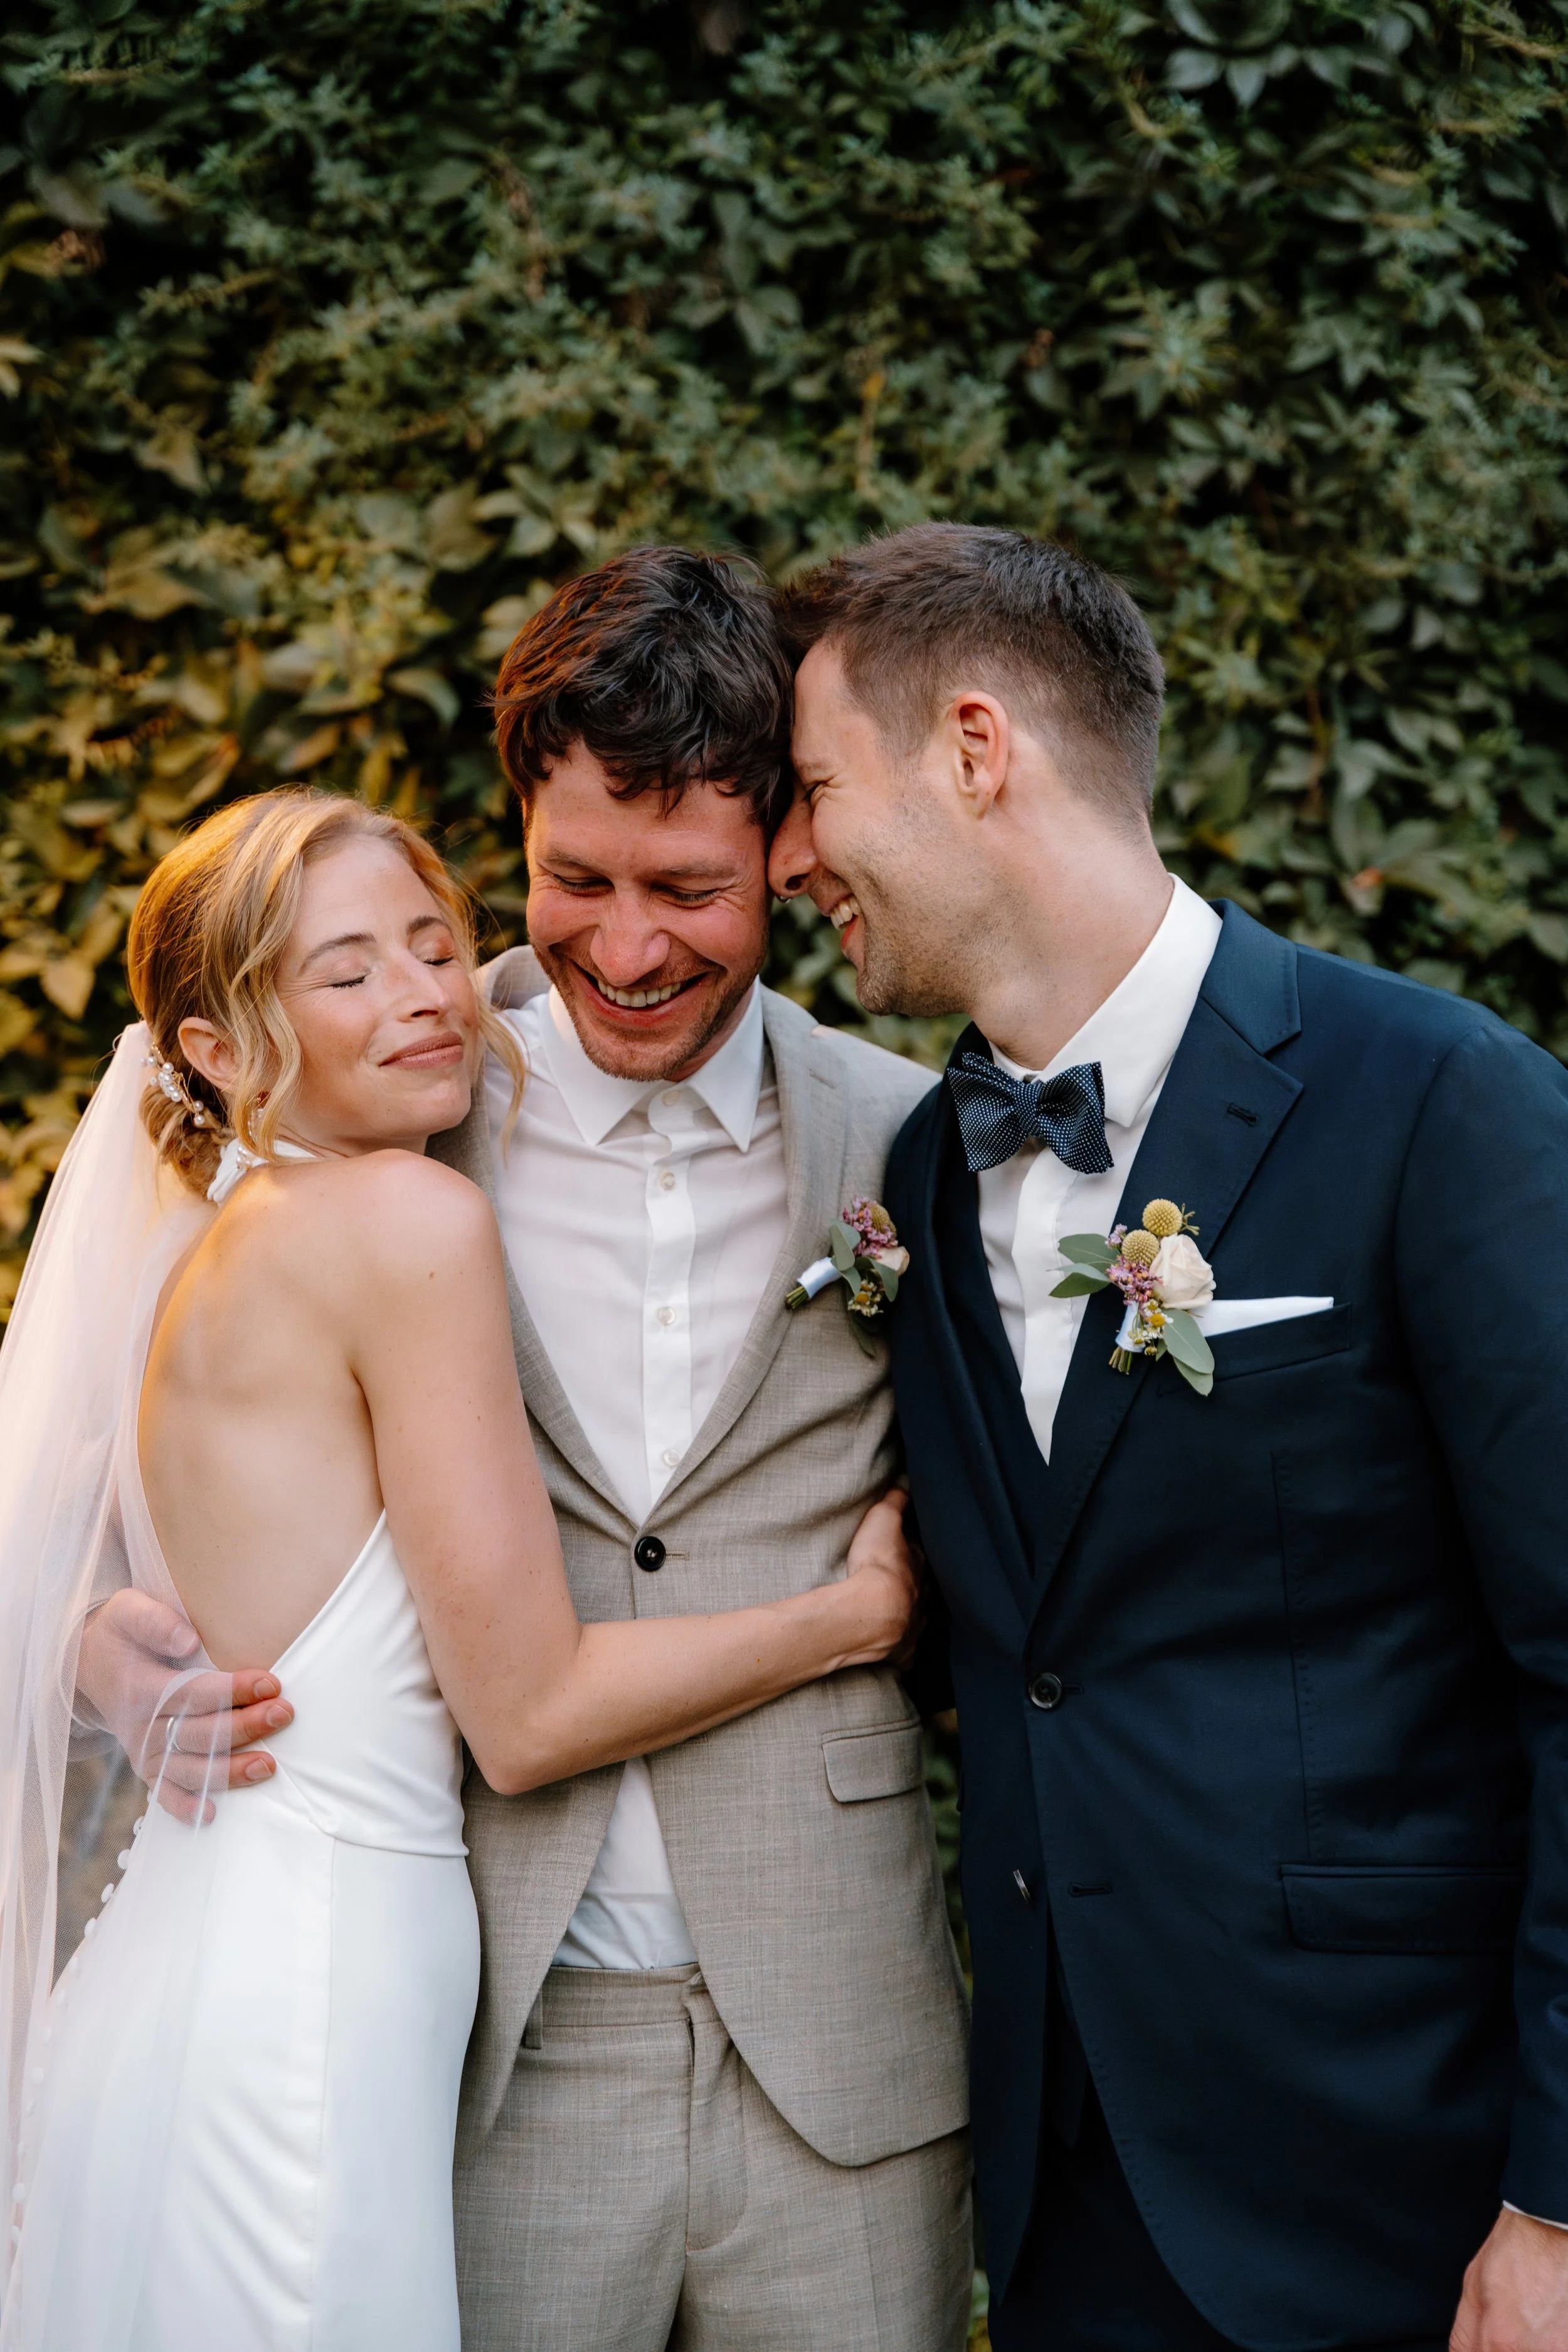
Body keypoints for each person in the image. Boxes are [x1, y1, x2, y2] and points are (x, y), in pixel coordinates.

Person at [0, 787, 921, 2352]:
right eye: (344, 972)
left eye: (432, 942)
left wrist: (94, 1640)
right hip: (314, 1999)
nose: (424, 992)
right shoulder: (411, 1216)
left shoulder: (214, 1235)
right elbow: (533, 1709)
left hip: (191, 1964)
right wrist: (856, 1612)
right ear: (217, 1048)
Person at [781, 521, 1568, 2352]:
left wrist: (1552, 2196)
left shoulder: (1438, 1097)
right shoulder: (910, 1170)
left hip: (1407, 2183)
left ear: (975, 748)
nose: (790, 851)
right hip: (1068, 2195)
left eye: (814, 787)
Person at [426, 545, 971, 2352]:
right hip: (493, 2030)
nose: (628, 945)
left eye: (689, 889)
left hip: (838, 2041)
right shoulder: (395, 1139)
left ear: (785, 858)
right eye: (574, 878)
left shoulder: (913, 1139)